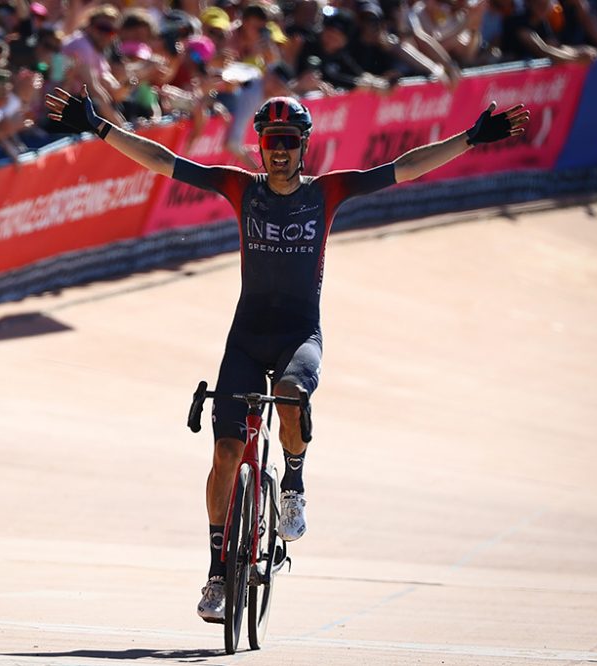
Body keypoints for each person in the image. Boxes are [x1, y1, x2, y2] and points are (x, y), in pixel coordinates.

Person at [44, 89, 529, 623]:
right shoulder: (238, 187)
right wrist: (100, 127)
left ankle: (293, 484)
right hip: (246, 338)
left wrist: (468, 139)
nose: (279, 152)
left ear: (303, 146)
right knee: (226, 453)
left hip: (300, 334)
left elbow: (404, 167)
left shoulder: (327, 192)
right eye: (272, 142)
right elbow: (164, 162)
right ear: (260, 145)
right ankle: (215, 574)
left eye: (289, 143)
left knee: (293, 397)